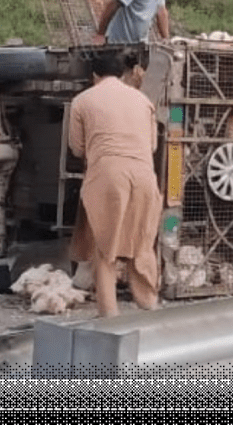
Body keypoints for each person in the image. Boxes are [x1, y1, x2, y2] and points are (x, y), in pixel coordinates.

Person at [68, 53, 163, 318]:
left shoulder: (82, 100)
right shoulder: (143, 101)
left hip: (107, 177)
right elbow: (152, 146)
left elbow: (77, 148)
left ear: (94, 75)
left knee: (105, 245)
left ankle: (109, 314)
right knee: (141, 243)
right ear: (123, 74)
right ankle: (149, 306)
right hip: (145, 176)